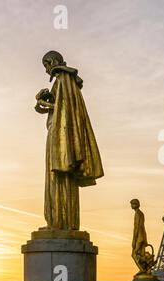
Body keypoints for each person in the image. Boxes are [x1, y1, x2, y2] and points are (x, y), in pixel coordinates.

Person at [34, 50, 103, 230]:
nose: (46, 70)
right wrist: (43, 104)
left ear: (53, 62)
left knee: (57, 177)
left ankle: (58, 222)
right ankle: (62, 221)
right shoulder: (63, 81)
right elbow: (62, 108)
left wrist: (44, 103)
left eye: (46, 65)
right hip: (60, 134)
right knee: (60, 178)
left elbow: (63, 109)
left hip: (60, 137)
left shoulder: (63, 79)